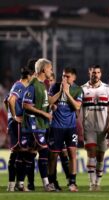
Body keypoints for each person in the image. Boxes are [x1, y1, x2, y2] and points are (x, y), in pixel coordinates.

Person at [22, 58, 55, 192]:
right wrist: (44, 114)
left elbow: (44, 103)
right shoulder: (34, 84)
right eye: (50, 68)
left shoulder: (42, 85)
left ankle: (18, 182)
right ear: (43, 70)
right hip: (34, 124)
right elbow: (25, 104)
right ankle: (46, 184)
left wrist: (52, 106)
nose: (51, 71)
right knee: (44, 151)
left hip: (42, 124)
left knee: (31, 155)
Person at [47, 67, 83, 192]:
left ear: (74, 77)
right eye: (63, 76)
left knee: (72, 154)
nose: (64, 78)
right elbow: (49, 101)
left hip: (70, 127)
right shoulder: (55, 87)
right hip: (56, 127)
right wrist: (61, 91)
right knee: (53, 156)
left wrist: (67, 93)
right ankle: (51, 182)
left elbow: (77, 106)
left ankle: (72, 182)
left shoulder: (78, 90)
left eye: (67, 76)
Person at [81, 65, 109, 191]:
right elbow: (78, 110)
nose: (96, 75)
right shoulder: (82, 89)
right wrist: (80, 128)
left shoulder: (107, 89)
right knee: (91, 155)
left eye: (98, 73)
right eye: (93, 72)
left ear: (101, 74)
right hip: (89, 127)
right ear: (89, 73)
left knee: (100, 157)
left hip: (103, 128)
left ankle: (98, 182)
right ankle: (92, 183)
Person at [6, 62, 35, 191]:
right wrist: (13, 116)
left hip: (21, 124)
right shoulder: (19, 86)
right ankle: (16, 184)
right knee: (21, 153)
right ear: (28, 76)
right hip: (18, 123)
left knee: (19, 154)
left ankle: (14, 184)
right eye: (32, 75)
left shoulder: (22, 86)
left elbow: (5, 100)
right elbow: (10, 100)